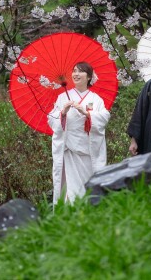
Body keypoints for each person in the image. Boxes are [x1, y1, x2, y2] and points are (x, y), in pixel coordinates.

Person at [48, 62, 110, 204]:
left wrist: (87, 113)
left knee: (85, 187)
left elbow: (104, 117)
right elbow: (52, 119)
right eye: (74, 71)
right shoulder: (63, 97)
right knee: (69, 189)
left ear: (89, 77)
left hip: (87, 150)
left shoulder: (96, 99)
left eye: (80, 71)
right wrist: (62, 113)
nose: (76, 74)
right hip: (68, 150)